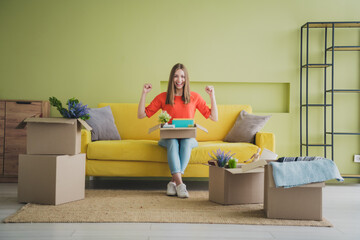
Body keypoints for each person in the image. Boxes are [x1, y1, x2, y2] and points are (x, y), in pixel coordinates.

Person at [137, 63, 218, 198]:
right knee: (173, 142)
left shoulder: (194, 97)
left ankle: (172, 182)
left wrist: (212, 96)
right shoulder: (163, 97)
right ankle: (180, 184)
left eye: (182, 76)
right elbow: (141, 115)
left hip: (189, 139)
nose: (179, 80)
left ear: (186, 79)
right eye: (176, 76)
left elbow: (214, 117)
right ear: (171, 78)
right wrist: (144, 93)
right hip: (168, 139)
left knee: (185, 142)